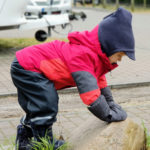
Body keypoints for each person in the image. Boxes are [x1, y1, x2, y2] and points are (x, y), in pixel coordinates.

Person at [11, 7, 135, 150]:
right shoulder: (83, 55)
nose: (119, 60)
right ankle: (44, 142)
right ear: (109, 47)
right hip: (28, 67)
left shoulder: (95, 57)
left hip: (25, 64)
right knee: (46, 103)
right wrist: (108, 115)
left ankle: (23, 140)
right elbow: (90, 96)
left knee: (37, 108)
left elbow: (99, 82)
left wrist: (111, 103)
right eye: (119, 55)